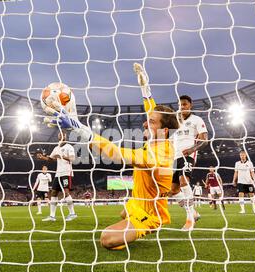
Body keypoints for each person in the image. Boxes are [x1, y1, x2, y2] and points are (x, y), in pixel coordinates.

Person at [42, 94, 179, 250]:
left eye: (151, 122)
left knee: (107, 239)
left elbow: (115, 153)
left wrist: (78, 128)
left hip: (151, 212)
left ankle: (148, 224)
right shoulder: (158, 142)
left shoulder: (158, 155)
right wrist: (145, 90)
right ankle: (133, 219)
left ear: (164, 130)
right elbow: (152, 111)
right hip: (137, 202)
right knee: (123, 214)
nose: (145, 124)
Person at [134, 63, 208, 231]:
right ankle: (193, 212)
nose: (182, 107)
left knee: (183, 180)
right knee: (173, 191)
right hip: (171, 157)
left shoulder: (196, 120)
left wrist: (191, 150)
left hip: (187, 155)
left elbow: (204, 140)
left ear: (190, 106)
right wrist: (144, 89)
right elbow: (153, 113)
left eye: (185, 105)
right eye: (180, 104)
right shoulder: (173, 119)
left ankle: (190, 220)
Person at [36, 131, 77, 222]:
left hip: (66, 173)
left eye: (63, 134)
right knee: (53, 193)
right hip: (58, 173)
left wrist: (61, 156)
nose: (61, 135)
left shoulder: (69, 147)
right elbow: (50, 159)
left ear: (66, 136)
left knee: (66, 193)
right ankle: (52, 216)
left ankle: (72, 213)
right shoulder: (56, 148)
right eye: (60, 134)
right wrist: (42, 157)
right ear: (58, 136)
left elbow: (72, 159)